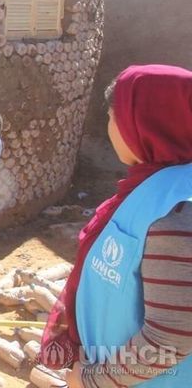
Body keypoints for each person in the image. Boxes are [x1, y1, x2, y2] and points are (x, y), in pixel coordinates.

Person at [40, 65, 192, 387]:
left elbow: (170, 339)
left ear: (146, 122)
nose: (110, 128)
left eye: (113, 116)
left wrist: (92, 379)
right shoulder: (154, 185)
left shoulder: (179, 211)